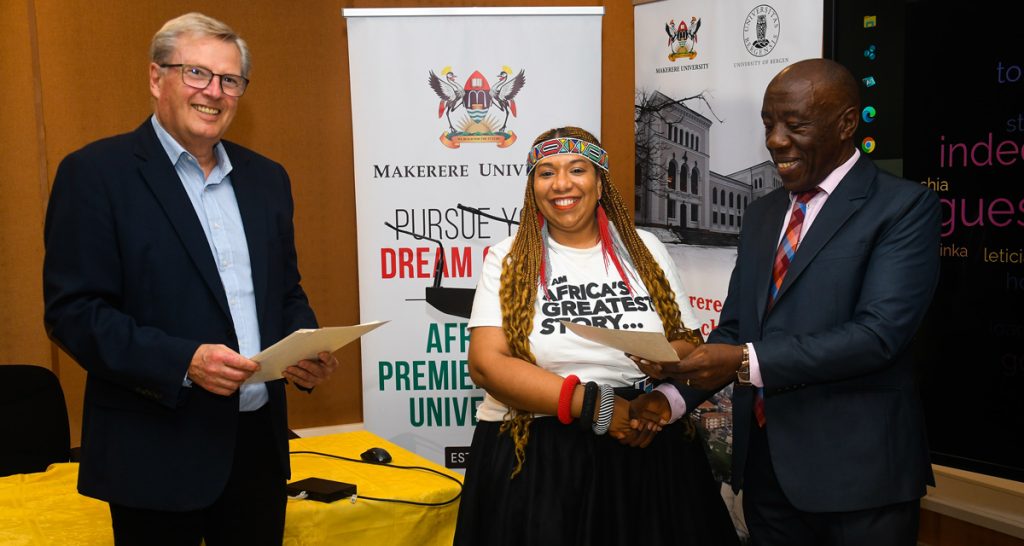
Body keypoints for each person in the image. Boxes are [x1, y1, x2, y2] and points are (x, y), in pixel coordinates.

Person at [42, 13, 339, 545]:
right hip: (155, 453)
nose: (215, 92)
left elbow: (285, 291)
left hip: (257, 451)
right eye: (197, 74)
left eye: (230, 80)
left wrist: (302, 343)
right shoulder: (95, 174)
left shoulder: (267, 179)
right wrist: (184, 362)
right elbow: (74, 313)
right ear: (157, 79)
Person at [636, 59, 940, 545]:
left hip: (860, 483)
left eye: (795, 125)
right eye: (768, 124)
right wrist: (670, 398)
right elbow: (736, 327)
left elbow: (878, 335)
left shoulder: (902, 208)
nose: (776, 140)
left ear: (846, 124)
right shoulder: (762, 214)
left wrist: (741, 360)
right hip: (765, 474)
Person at [453, 127, 740, 545]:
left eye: (577, 169)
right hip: (541, 457)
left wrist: (662, 368)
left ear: (600, 182)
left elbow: (687, 341)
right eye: (546, 172)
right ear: (533, 188)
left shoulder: (646, 248)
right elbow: (486, 363)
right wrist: (597, 407)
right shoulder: (509, 256)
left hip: (645, 441)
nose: (562, 183)